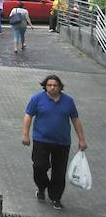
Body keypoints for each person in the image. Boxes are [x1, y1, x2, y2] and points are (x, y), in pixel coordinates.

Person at [22, 74, 87, 210]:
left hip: (62, 142)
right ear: (45, 86)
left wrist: (81, 139)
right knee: (39, 166)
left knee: (59, 171)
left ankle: (55, 197)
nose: (52, 88)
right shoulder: (37, 99)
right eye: (50, 85)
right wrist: (25, 135)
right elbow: (28, 116)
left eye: (55, 85)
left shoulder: (68, 101)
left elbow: (75, 119)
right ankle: (42, 186)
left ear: (60, 87)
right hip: (41, 140)